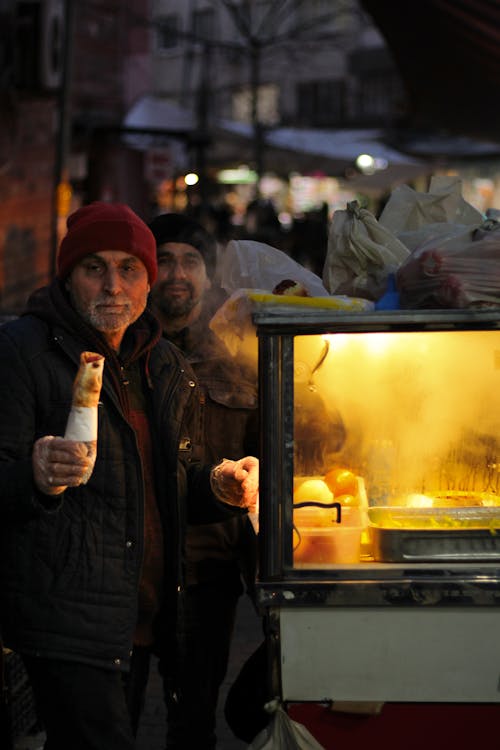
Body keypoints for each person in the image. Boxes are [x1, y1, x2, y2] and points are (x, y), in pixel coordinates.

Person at [0, 201, 259, 750]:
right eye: (94, 268)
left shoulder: (163, 364)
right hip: (68, 618)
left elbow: (177, 477)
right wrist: (35, 475)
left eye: (129, 269)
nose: (112, 285)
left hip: (149, 609)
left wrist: (219, 484)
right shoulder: (24, 352)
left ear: (147, 283)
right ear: (68, 277)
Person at [148, 212, 259, 750]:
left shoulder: (239, 356)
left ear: (208, 274)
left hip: (209, 568)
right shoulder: (122, 348)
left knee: (193, 723)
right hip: (133, 565)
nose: (176, 273)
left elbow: (280, 442)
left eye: (189, 261)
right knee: (107, 723)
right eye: (163, 259)